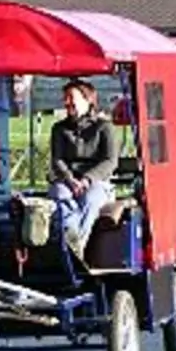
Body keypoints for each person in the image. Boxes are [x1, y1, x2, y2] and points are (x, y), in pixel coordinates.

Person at [48, 79, 119, 257]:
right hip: (67, 181)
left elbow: (110, 161)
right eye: (65, 98)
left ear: (87, 100)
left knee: (91, 199)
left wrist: (87, 179)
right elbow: (57, 160)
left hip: (96, 182)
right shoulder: (59, 129)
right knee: (59, 195)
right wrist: (70, 179)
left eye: (71, 98)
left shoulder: (104, 127)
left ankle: (78, 245)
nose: (67, 103)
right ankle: (70, 235)